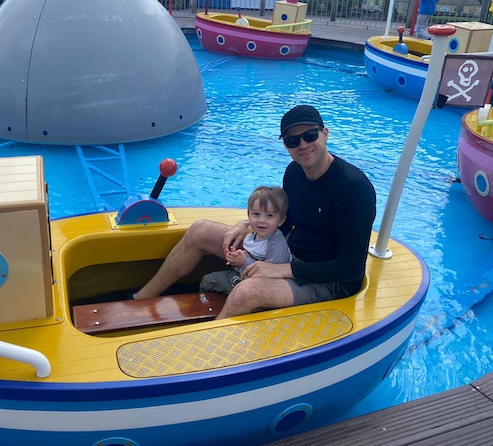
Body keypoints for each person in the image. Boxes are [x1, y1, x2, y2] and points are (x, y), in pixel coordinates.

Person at [134, 105, 376, 319]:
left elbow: (351, 268)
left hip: (327, 281)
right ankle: (140, 301)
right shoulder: (295, 171)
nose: (302, 145)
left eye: (309, 135)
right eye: (293, 141)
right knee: (200, 230)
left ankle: (204, 359)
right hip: (287, 255)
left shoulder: (353, 189)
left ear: (325, 133)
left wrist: (281, 270)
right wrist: (246, 226)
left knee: (245, 293)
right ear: (286, 145)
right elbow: (284, 221)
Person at [199, 185, 292, 294]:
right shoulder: (253, 234)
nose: (261, 220)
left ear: (281, 220)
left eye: (269, 215)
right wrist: (236, 257)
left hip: (261, 287)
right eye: (256, 214)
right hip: (244, 275)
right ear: (248, 215)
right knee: (207, 279)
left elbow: (271, 276)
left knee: (209, 281)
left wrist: (244, 262)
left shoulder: (276, 245)